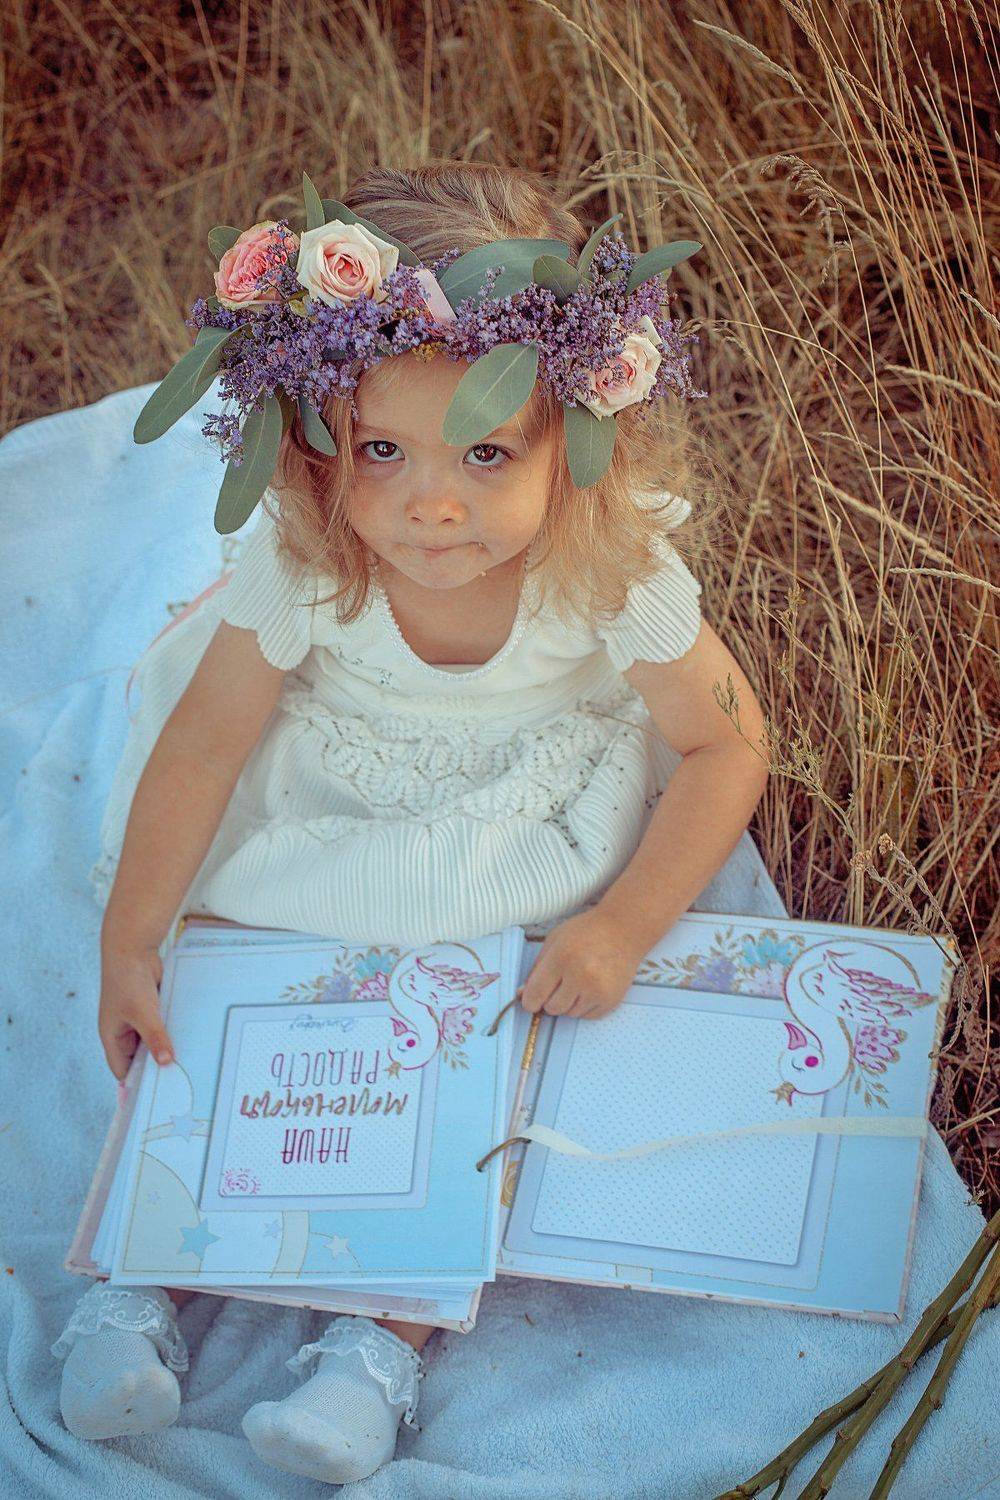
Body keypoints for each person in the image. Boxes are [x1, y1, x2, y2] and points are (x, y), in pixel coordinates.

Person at [51, 160, 773, 1485]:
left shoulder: (609, 565)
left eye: (487, 453)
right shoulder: (313, 553)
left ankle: (377, 1345)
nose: (432, 505)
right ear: (317, 437)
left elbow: (729, 741)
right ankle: (138, 1280)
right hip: (340, 790)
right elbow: (207, 740)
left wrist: (623, 925)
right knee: (238, 1006)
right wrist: (131, 937)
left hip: (512, 819)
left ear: (577, 437)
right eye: (381, 450)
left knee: (488, 1058)